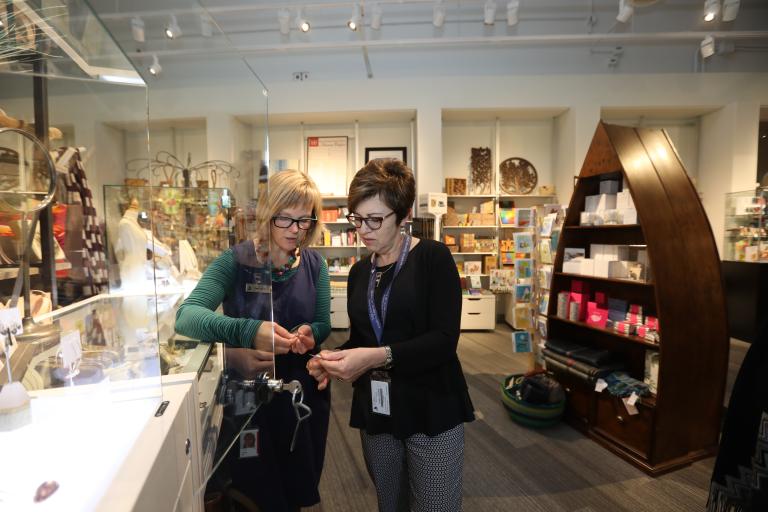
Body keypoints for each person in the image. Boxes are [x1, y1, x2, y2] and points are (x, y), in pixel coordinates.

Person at [307, 159, 475, 512]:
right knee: (390, 503)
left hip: (431, 406)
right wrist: (333, 359)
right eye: (357, 218)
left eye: (375, 219)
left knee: (436, 505)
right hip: (378, 410)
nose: (363, 230)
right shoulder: (359, 272)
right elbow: (364, 338)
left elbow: (444, 340)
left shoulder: (432, 258)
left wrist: (377, 357)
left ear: (404, 214)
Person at [175, 169, 331, 511]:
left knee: (296, 486)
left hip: (299, 393)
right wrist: (242, 340)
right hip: (251, 398)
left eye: (304, 220)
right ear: (266, 214)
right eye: (285, 219)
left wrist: (310, 335)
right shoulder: (235, 261)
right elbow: (187, 317)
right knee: (256, 493)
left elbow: (322, 323)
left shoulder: (315, 264)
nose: (295, 230)